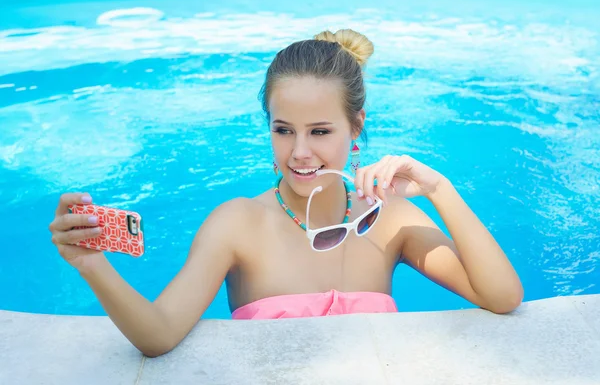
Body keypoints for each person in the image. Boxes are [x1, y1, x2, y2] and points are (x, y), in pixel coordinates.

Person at [48, 29, 523, 357]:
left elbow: (501, 296)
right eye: (283, 130)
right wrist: (92, 264)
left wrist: (440, 190)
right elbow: (160, 333)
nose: (298, 152)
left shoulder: (390, 218)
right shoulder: (237, 224)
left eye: (319, 131)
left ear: (356, 127)